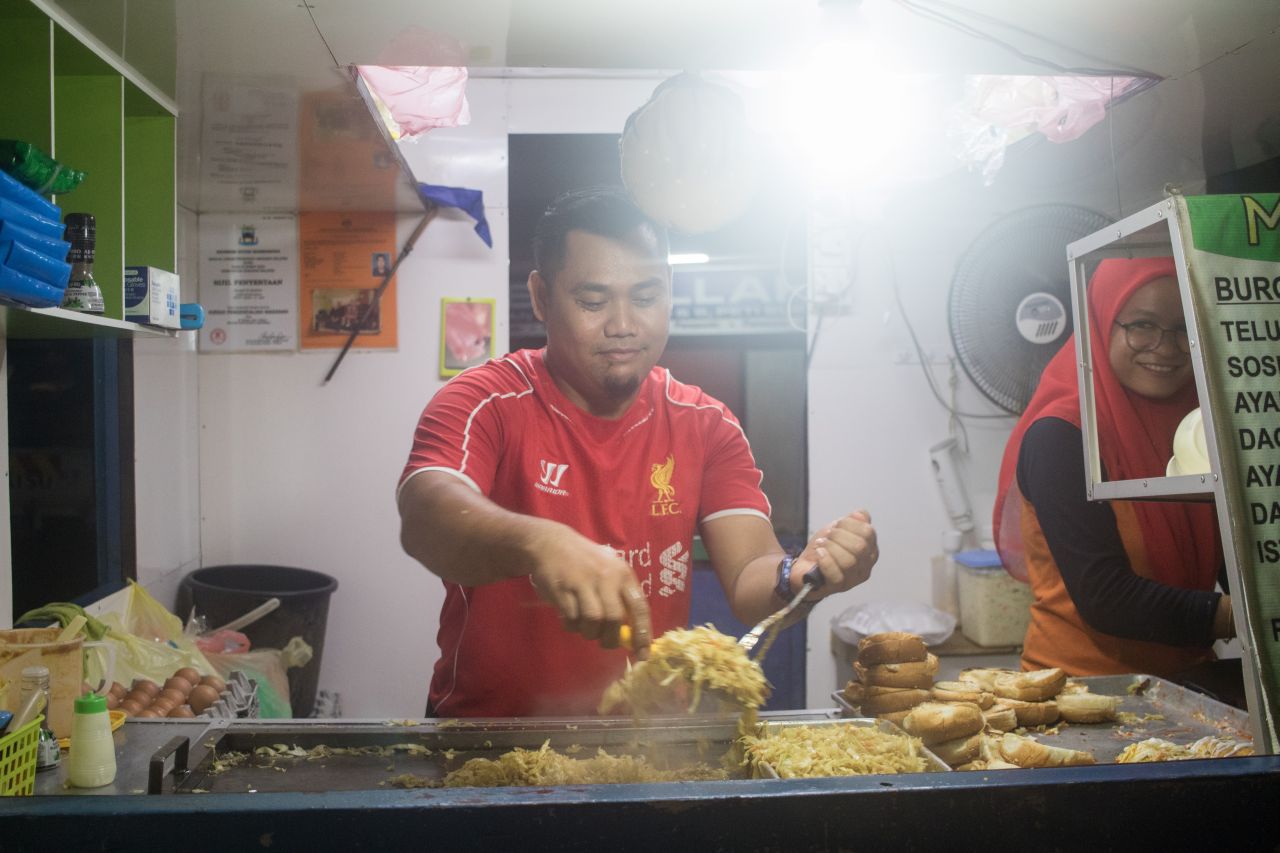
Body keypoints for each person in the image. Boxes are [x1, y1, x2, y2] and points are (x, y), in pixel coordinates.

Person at [398, 188, 879, 716]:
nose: (623, 325)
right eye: (593, 302)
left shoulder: (705, 423)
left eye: (647, 297)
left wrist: (801, 575)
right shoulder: (486, 401)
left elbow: (750, 576)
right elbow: (426, 513)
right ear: (541, 297)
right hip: (484, 738)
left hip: (648, 741)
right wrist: (540, 543)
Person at [993, 257, 1233, 677]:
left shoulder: (1200, 427)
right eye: (1142, 325)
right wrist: (1249, 613)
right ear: (1101, 323)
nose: (1166, 347)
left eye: (1184, 328)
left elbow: (1237, 556)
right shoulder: (1060, 436)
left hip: (1188, 682)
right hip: (1079, 691)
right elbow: (1106, 598)